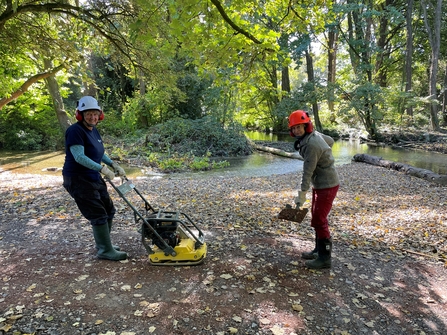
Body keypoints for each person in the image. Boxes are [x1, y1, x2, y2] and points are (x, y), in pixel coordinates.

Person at [62, 96, 127, 261]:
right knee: (98, 213)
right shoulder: (75, 131)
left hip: (92, 176)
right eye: (88, 114)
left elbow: (100, 152)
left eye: (95, 114)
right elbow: (79, 157)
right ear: (80, 115)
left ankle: (104, 244)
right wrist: (102, 169)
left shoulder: (94, 130)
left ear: (100, 115)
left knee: (108, 209)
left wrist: (113, 164)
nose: (92, 117)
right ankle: (105, 250)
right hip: (78, 178)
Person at [288, 110, 339, 269]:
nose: (296, 130)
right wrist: (325, 155)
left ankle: (325, 258)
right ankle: (318, 250)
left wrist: (301, 195)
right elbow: (330, 140)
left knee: (319, 219)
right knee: (317, 217)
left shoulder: (311, 144)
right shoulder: (313, 136)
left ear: (306, 126)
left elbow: (307, 172)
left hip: (327, 185)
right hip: (320, 184)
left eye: (299, 127)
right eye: (294, 128)